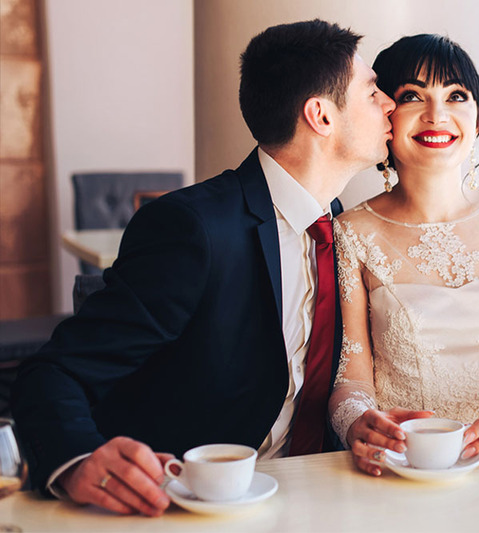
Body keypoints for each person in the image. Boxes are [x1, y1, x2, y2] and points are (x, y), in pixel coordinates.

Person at [11, 19, 395, 515]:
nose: (388, 103)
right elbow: (53, 373)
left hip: (317, 499)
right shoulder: (194, 229)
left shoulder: (339, 227)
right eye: (372, 91)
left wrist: (354, 423)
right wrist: (78, 459)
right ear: (320, 115)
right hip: (185, 508)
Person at [328, 34, 479, 476]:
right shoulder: (351, 233)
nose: (437, 115)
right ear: (386, 117)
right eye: (413, 96)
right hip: (402, 465)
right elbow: (350, 377)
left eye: (456, 95)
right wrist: (356, 422)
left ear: (476, 122)